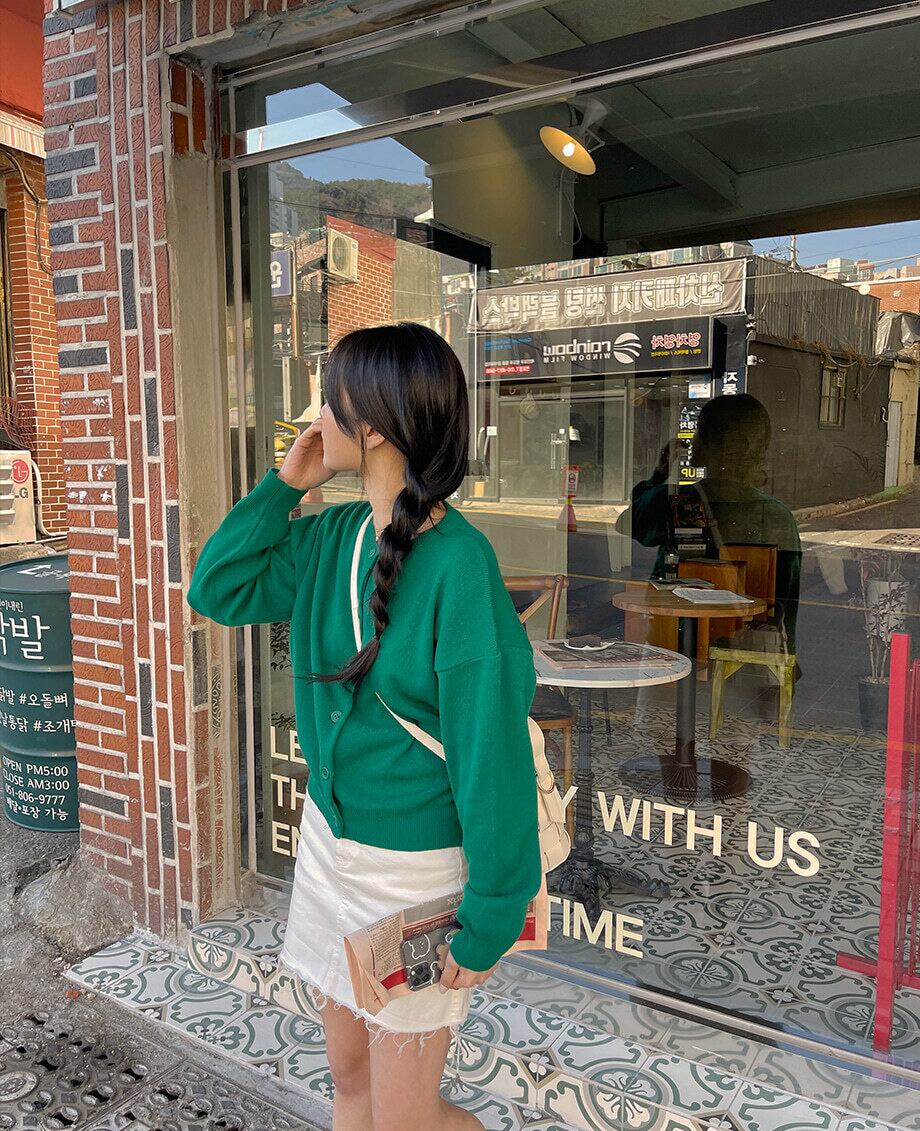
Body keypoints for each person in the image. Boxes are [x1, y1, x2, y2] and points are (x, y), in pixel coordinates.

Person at [186, 321, 542, 1130]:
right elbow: (217, 588)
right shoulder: (330, 538)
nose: (317, 415)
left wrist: (493, 910)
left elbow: (490, 757)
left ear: (372, 423)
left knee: (404, 1120)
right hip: (328, 851)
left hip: (415, 885)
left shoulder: (460, 563)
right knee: (350, 1080)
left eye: (329, 398)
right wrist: (283, 484)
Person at [626, 393, 802, 656]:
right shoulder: (778, 515)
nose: (693, 442)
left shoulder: (676, 499)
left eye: (698, 433)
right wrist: (785, 659)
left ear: (715, 445)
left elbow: (629, 523)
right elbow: (786, 601)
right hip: (743, 654)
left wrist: (660, 472)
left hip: (674, 643)